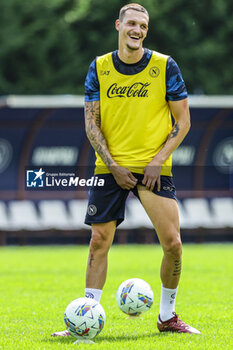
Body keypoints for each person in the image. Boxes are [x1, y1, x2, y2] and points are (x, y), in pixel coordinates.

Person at [52, 3, 200, 335]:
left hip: (153, 167)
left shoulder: (165, 66)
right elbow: (92, 124)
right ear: (118, 25)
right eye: (131, 23)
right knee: (98, 240)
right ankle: (86, 319)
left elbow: (184, 121)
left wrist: (157, 160)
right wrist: (114, 164)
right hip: (110, 168)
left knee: (173, 243)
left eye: (143, 26)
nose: (137, 30)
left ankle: (167, 316)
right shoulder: (99, 67)